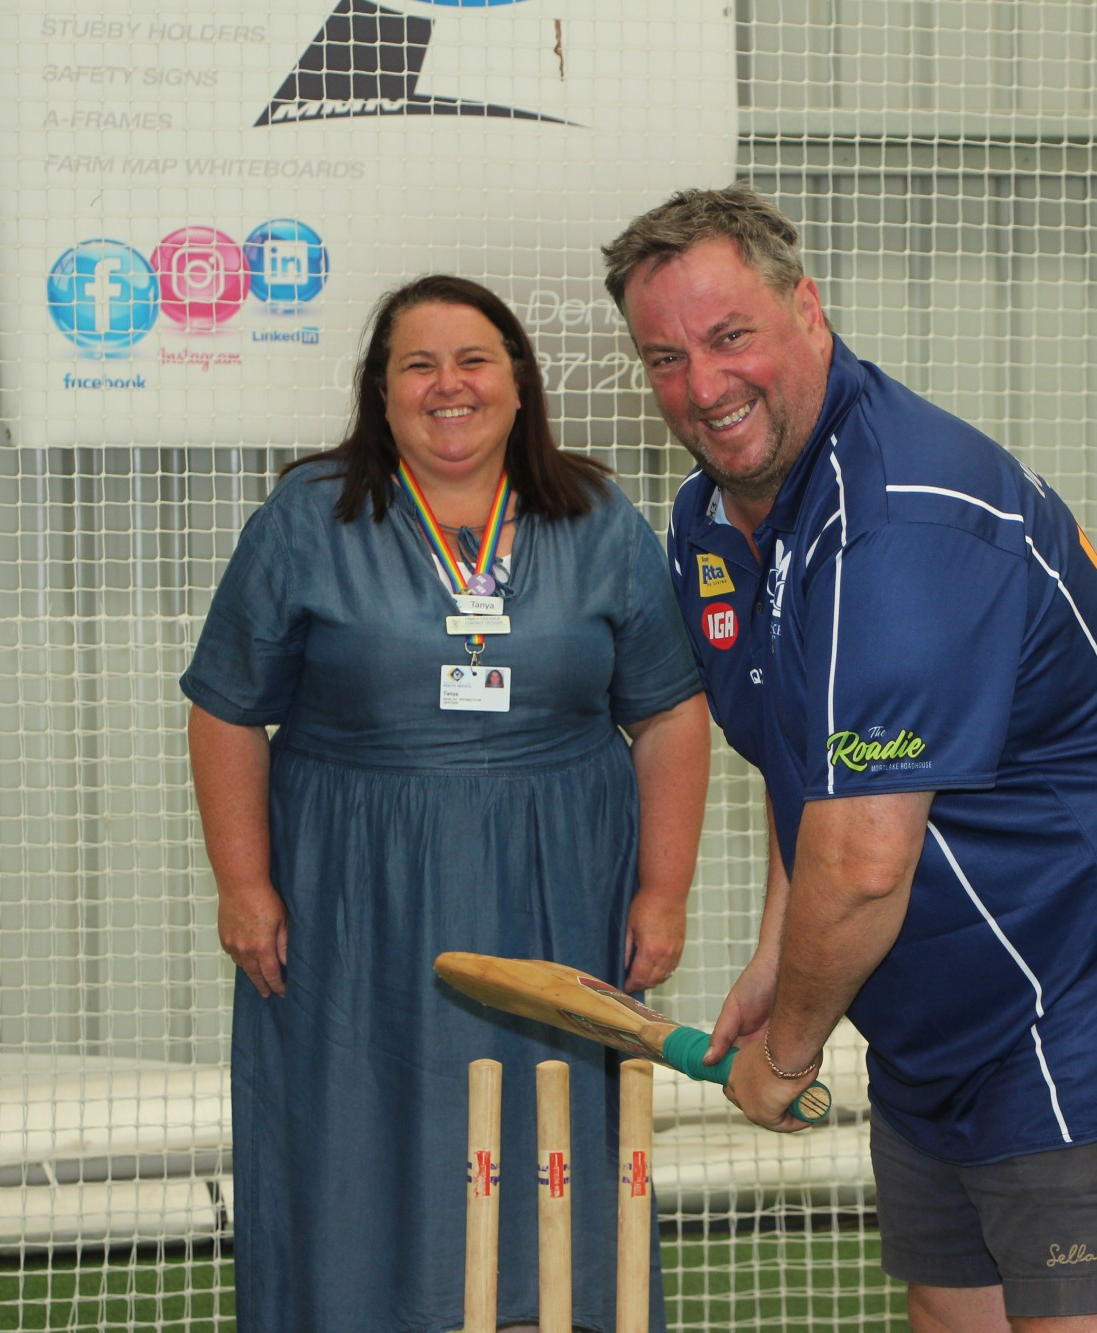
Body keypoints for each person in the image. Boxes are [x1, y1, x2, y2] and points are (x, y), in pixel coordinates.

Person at [601, 186, 1097, 1333]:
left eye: (728, 339)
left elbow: (861, 862)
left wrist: (792, 1047)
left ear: (805, 311)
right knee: (953, 1305)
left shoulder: (900, 523)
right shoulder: (710, 520)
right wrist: (776, 955)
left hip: (1087, 963)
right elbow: (795, 758)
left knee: (1071, 1312)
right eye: (664, 358)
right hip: (936, 985)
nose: (702, 388)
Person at [182, 274, 708, 1333]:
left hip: (558, 892)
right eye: (415, 365)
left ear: (519, 381)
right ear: (380, 392)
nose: (446, 385)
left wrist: (662, 889)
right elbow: (227, 708)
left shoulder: (599, 518)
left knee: (548, 1139)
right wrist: (243, 885)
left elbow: (668, 713)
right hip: (350, 900)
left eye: (472, 359)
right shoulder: (305, 517)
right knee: (355, 1134)